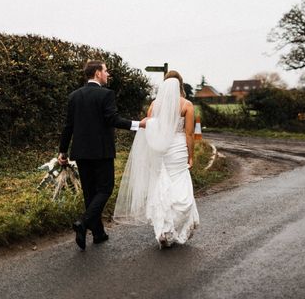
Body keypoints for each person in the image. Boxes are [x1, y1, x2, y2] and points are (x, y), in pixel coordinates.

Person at [58, 60, 147, 250]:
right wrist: (138, 124)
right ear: (97, 73)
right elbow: (113, 119)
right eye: (106, 71)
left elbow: (68, 126)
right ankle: (83, 222)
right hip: (101, 151)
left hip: (81, 152)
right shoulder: (106, 94)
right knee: (105, 189)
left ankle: (98, 234)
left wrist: (62, 151)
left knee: (90, 192)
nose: (108, 74)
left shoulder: (74, 96)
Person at [114, 70, 199, 248]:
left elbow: (150, 127)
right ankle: (174, 225)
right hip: (178, 149)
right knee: (179, 185)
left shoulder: (154, 105)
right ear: (180, 85)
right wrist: (191, 156)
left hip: (161, 150)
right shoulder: (187, 105)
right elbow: (189, 134)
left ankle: (163, 230)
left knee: (161, 185)